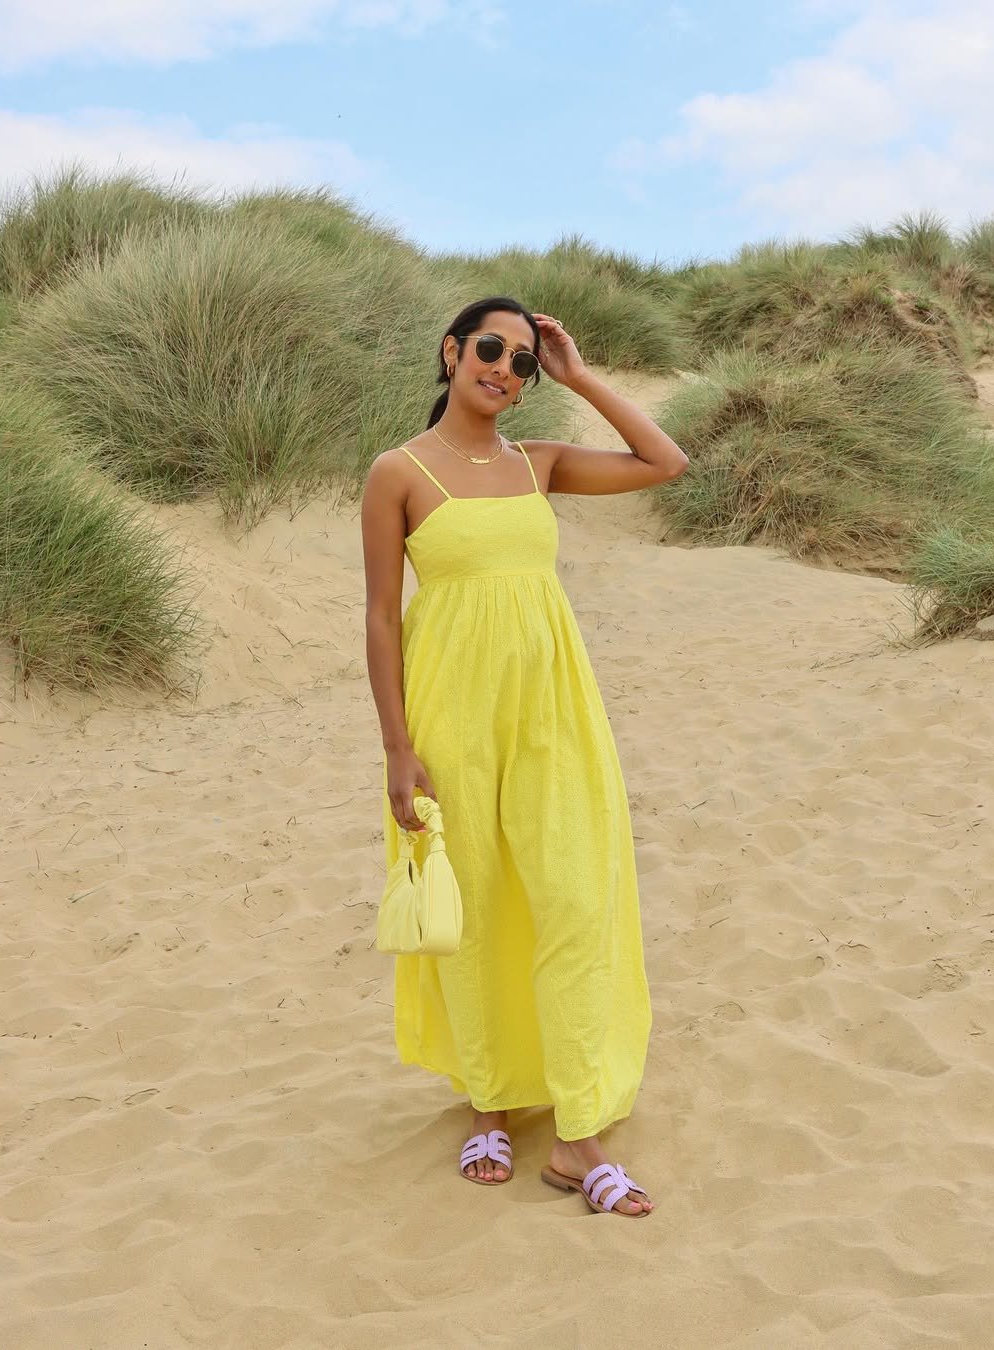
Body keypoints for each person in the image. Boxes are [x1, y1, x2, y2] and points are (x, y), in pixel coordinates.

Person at [361, 296, 688, 1217]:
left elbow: (666, 462)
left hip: (553, 712)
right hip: (451, 716)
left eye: (523, 361)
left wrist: (580, 376)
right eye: (491, 349)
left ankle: (578, 1137)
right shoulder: (399, 472)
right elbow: (383, 617)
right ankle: (490, 1105)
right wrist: (397, 747)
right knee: (477, 907)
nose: (505, 367)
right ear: (452, 351)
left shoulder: (538, 465)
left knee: (575, 901)